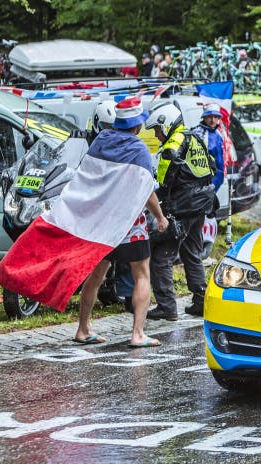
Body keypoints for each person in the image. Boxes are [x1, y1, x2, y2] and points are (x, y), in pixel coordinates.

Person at [75, 98, 169, 347]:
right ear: (137, 126)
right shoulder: (139, 150)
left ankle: (83, 329)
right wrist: (160, 217)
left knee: (95, 275)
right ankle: (137, 334)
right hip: (130, 224)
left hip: (102, 224)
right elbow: (147, 190)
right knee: (142, 275)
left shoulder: (101, 141)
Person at [145, 101, 216, 319]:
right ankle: (201, 301)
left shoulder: (171, 146)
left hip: (182, 208)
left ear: (166, 125)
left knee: (161, 257)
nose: (157, 135)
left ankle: (167, 307)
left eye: (157, 129)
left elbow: (163, 183)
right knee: (191, 253)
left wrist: (160, 208)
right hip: (201, 206)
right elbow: (211, 167)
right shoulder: (195, 138)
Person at [192, 104, 225, 193]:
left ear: (218, 118)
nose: (212, 120)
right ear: (204, 117)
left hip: (218, 177)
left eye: (215, 117)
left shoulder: (219, 133)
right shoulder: (197, 133)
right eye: (210, 117)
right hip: (204, 179)